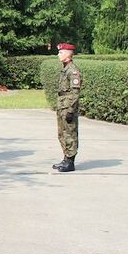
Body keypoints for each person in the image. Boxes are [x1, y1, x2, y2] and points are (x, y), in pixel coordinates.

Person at [53, 43, 82, 172]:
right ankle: (65, 158)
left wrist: (70, 110)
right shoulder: (65, 69)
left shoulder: (73, 71)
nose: (58, 55)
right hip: (62, 106)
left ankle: (70, 162)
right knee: (62, 133)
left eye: (61, 52)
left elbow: (75, 93)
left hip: (68, 107)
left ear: (68, 54)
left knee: (70, 133)